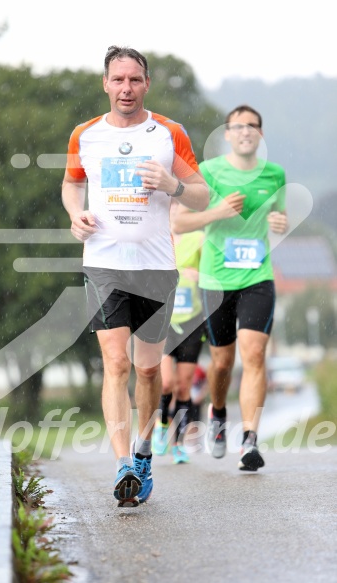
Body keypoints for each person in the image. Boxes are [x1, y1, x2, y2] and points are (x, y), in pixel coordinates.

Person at [61, 46, 209, 506]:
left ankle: (144, 452)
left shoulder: (168, 133)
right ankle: (123, 463)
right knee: (116, 363)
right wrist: (74, 214)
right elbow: (72, 182)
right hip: (105, 263)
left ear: (147, 84)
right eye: (118, 79)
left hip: (156, 269)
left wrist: (174, 186)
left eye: (135, 80)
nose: (126, 88)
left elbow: (203, 197)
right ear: (105, 83)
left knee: (148, 371)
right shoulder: (85, 135)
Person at [173, 104, 288, 471]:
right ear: (227, 134)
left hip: (258, 277)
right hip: (216, 282)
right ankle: (218, 414)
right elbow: (180, 223)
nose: (245, 131)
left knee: (254, 354)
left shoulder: (275, 175)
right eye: (237, 126)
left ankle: (250, 440)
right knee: (223, 362)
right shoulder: (208, 173)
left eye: (252, 125)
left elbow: (277, 216)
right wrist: (218, 212)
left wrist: (279, 221)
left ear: (260, 134)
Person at [152, 200, 207, 464]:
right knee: (166, 383)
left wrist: (199, 275)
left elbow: (213, 274)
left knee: (184, 387)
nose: (176, 212)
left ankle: (178, 443)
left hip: (193, 321)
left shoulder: (199, 238)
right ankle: (162, 426)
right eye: (172, 207)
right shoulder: (159, 237)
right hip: (165, 322)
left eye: (182, 207)